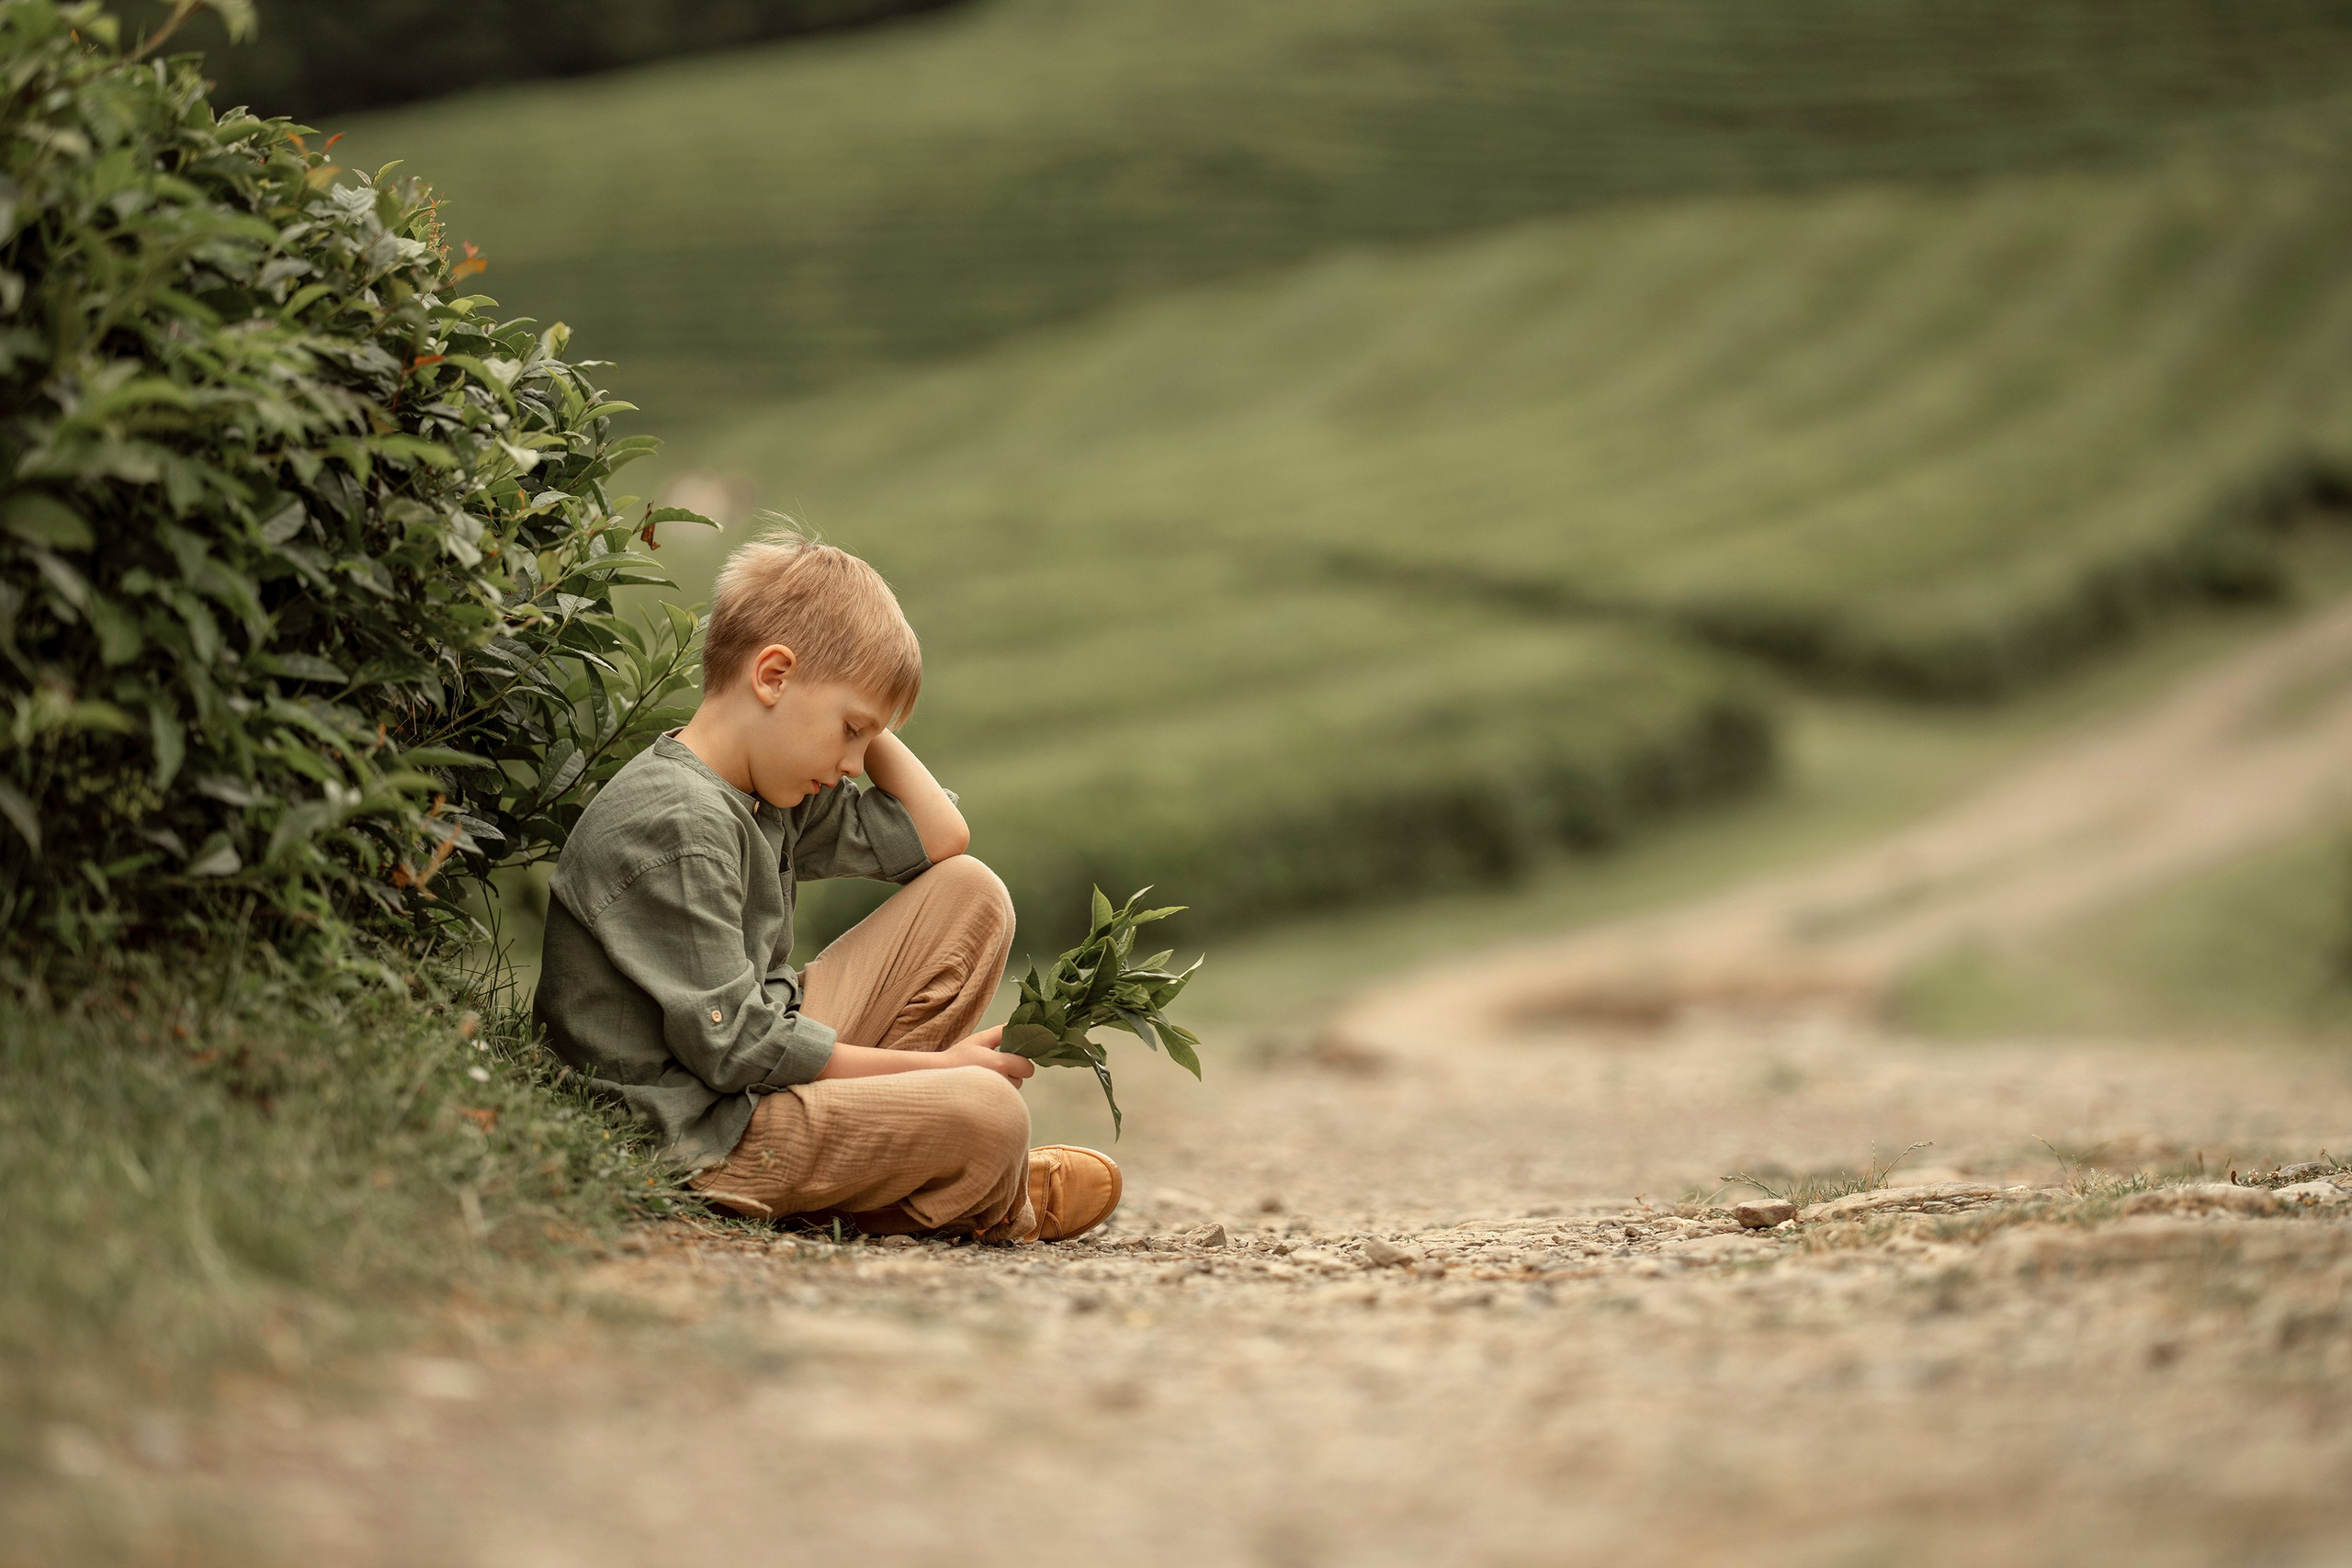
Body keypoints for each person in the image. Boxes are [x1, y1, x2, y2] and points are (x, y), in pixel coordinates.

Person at [533, 526, 1121, 1242]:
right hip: (696, 1135)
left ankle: (906, 1162)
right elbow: (735, 1047)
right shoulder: (676, 822)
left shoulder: (763, 788)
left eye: (865, 741)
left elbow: (940, 836)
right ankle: (976, 1194)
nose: (854, 764)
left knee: (972, 894)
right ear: (772, 676)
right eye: (850, 732)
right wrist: (932, 1068)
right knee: (992, 1113)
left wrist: (864, 709)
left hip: (747, 1081)